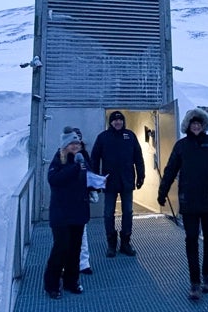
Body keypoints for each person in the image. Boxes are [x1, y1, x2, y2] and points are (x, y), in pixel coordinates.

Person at [158, 108, 208, 301]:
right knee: (191, 240)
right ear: (188, 125)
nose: (196, 125)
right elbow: (170, 170)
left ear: (204, 125)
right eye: (193, 123)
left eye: (199, 123)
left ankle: (207, 276)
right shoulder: (181, 146)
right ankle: (194, 283)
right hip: (188, 201)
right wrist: (162, 192)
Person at [42, 130, 91, 299]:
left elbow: (87, 177)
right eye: (72, 144)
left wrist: (94, 186)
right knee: (61, 248)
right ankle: (52, 285)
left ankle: (72, 281)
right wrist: (75, 168)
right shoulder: (58, 160)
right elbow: (54, 180)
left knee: (75, 249)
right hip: (61, 214)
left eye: (78, 143)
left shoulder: (82, 159)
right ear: (65, 146)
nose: (76, 146)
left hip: (78, 211)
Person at [90, 110, 145, 258]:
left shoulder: (130, 136)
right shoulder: (103, 137)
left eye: (120, 120)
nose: (118, 122)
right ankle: (111, 244)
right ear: (110, 122)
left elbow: (138, 157)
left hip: (127, 181)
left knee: (128, 212)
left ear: (123, 121)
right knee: (108, 214)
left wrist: (141, 175)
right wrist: (96, 180)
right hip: (109, 182)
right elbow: (94, 158)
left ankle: (126, 243)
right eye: (115, 120)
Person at [63, 126, 96, 275]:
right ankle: (66, 265)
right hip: (67, 203)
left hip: (81, 201)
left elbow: (89, 174)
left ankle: (84, 263)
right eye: (73, 141)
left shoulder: (84, 156)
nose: (76, 144)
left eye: (78, 140)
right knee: (66, 235)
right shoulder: (62, 158)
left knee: (82, 234)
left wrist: (93, 189)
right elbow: (56, 179)